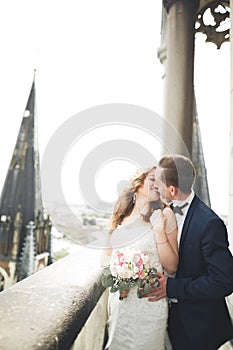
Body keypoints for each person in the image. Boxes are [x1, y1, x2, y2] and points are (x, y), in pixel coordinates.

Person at [145, 154, 233, 350]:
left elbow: (224, 281)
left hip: (199, 329)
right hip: (166, 322)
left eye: (158, 183)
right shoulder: (162, 211)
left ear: (172, 190)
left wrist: (172, 287)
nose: (155, 187)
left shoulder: (209, 223)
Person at [104, 166, 178, 350]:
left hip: (150, 303)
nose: (157, 185)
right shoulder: (122, 211)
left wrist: (159, 230)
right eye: (153, 179)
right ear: (139, 181)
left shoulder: (166, 214)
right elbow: (107, 254)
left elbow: (172, 267)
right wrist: (119, 272)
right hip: (122, 302)